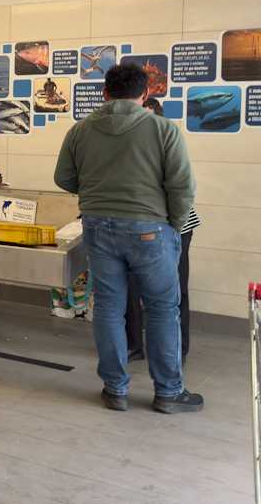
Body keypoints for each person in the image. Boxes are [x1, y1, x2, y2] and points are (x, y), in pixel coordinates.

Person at [54, 63, 201, 414]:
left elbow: (64, 178)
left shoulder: (80, 130)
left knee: (109, 307)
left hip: (97, 226)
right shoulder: (163, 129)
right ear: (145, 93)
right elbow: (182, 186)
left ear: (105, 93)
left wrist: (95, 193)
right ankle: (168, 393)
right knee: (162, 308)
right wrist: (175, 226)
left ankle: (115, 389)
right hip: (150, 229)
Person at [126, 98, 200, 363]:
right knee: (131, 285)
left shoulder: (168, 143)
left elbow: (182, 188)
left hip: (176, 225)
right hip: (142, 225)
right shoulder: (132, 146)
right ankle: (134, 345)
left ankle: (179, 347)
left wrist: (174, 229)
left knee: (176, 286)